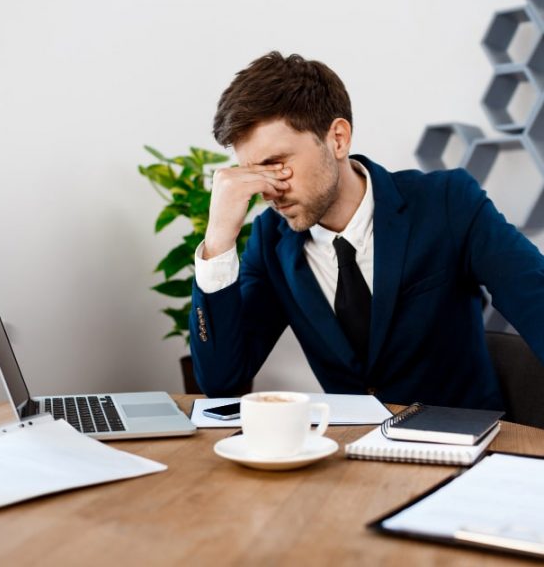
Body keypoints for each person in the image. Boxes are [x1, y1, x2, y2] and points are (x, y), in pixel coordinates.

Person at [189, 51, 544, 409]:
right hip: (353, 454)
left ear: (338, 139)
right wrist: (218, 240)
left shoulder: (447, 203)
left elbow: (535, 298)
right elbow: (223, 381)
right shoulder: (271, 241)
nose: (267, 190)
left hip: (464, 448)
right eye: (251, 172)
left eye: (276, 165)